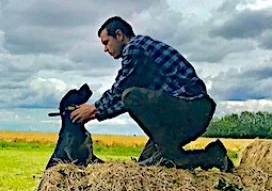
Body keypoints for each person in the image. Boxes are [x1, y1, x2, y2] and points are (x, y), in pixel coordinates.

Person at [70, 16, 233, 171]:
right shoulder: (143, 51)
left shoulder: (135, 48)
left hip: (191, 109)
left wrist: (95, 109)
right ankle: (212, 156)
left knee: (131, 96)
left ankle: (173, 156)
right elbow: (121, 99)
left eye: (106, 42)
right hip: (189, 111)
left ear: (119, 35)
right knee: (146, 167)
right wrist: (97, 111)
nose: (105, 49)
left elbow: (122, 89)